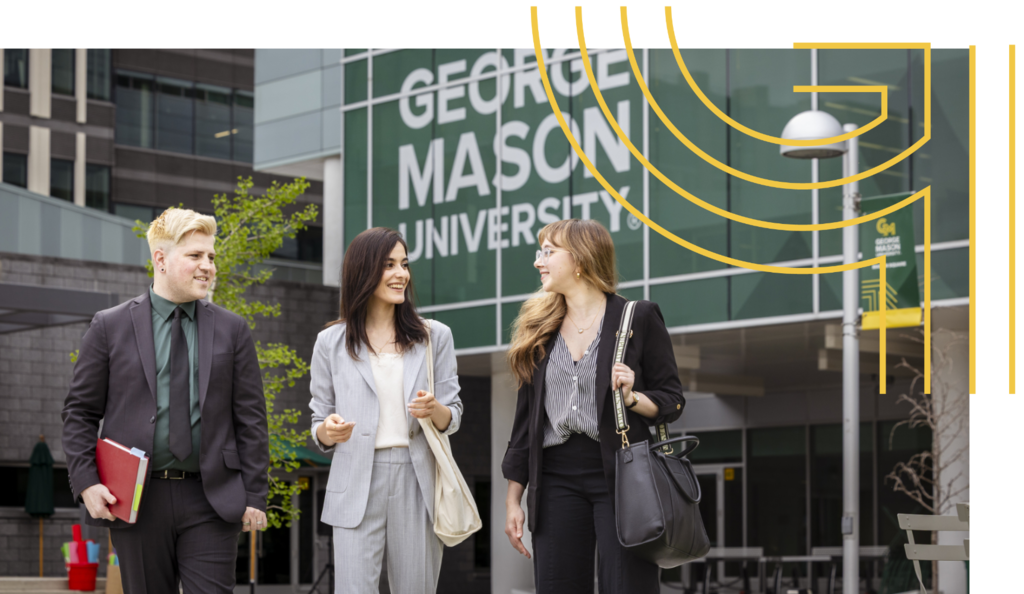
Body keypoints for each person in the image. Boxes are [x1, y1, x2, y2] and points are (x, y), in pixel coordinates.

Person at [61, 207, 269, 594]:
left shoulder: (233, 330)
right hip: (136, 500)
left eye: (211, 256)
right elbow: (80, 413)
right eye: (195, 256)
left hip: (212, 499)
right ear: (160, 259)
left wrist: (256, 494)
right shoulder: (109, 326)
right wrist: (87, 482)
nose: (208, 266)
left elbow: (251, 420)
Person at [501, 219, 686, 594]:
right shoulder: (539, 327)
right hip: (554, 480)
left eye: (549, 252)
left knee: (626, 586)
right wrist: (513, 500)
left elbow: (673, 400)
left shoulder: (638, 317)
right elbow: (525, 425)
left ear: (581, 260)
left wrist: (634, 398)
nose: (539, 262)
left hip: (622, 476)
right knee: (557, 585)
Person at [309, 227, 464, 594]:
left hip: (416, 475)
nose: (401, 274)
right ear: (363, 271)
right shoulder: (330, 342)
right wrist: (326, 432)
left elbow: (453, 415)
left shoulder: (433, 336)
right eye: (389, 265)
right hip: (354, 479)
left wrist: (433, 409)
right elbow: (319, 421)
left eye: (404, 264)